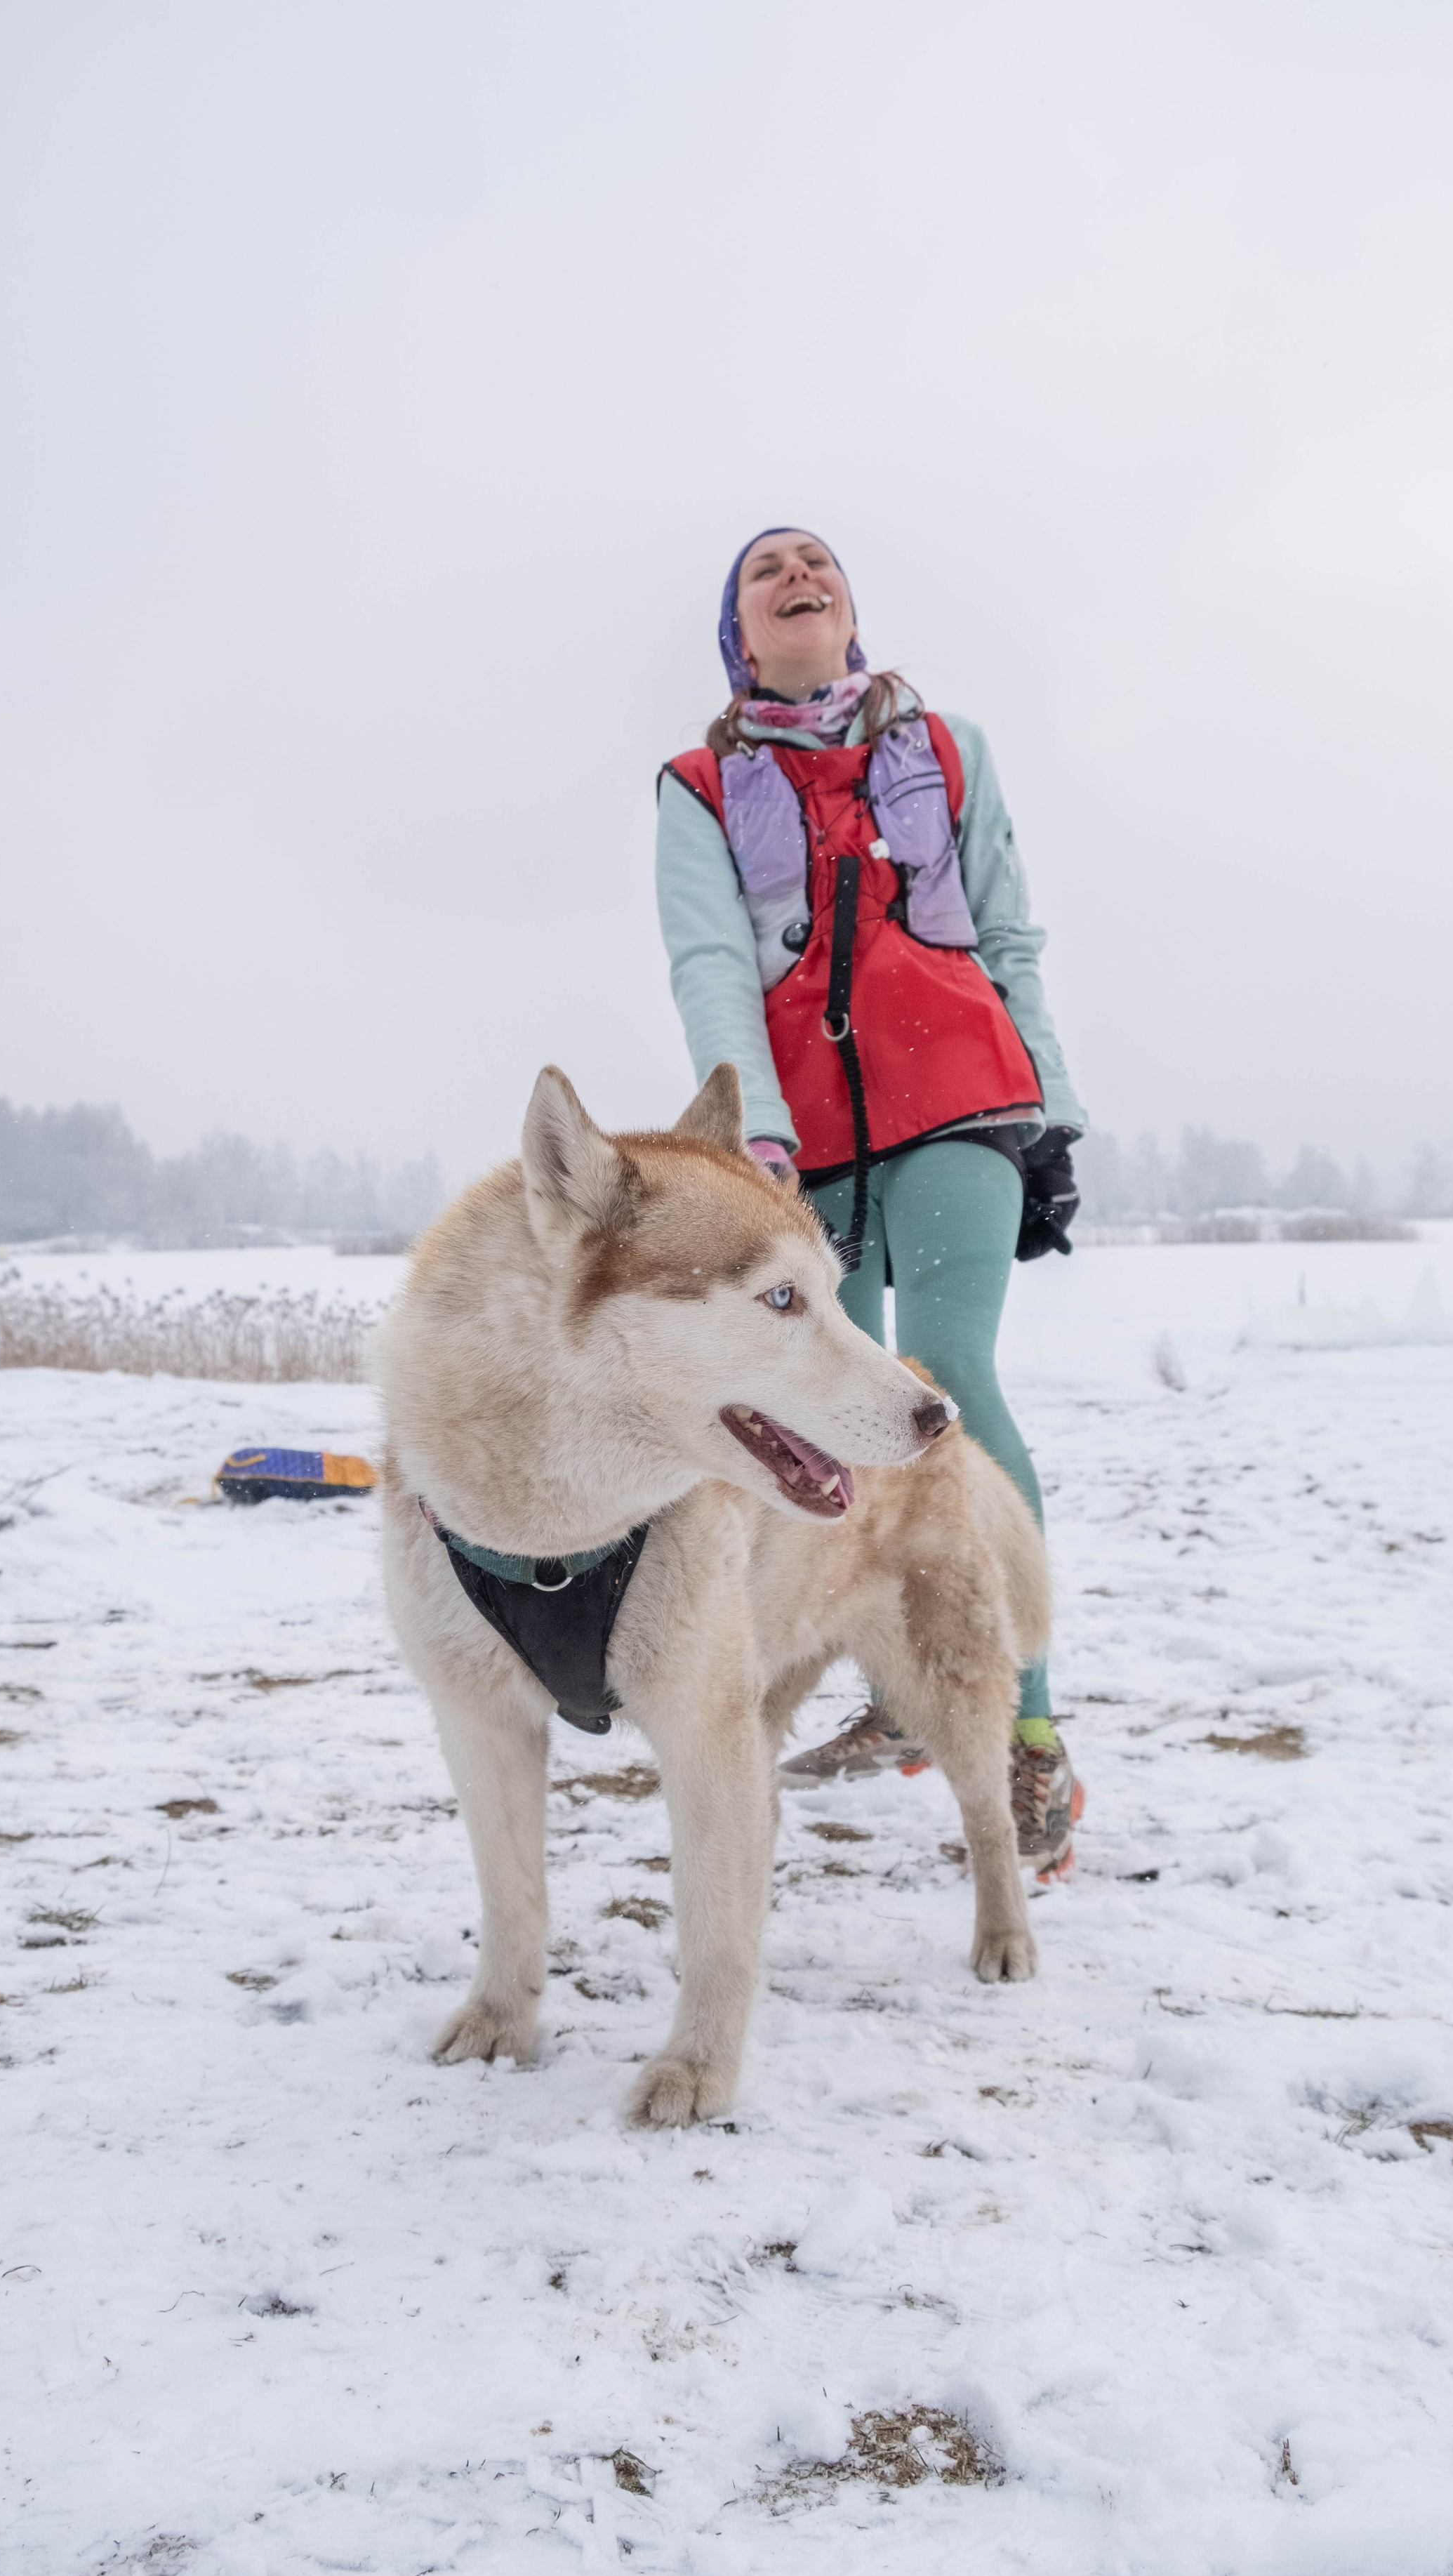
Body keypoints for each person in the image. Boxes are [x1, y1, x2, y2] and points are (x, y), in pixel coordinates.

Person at [655, 527, 1088, 1875]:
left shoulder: (948, 748)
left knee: (942, 1378)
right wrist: (753, 1135)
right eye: (766, 569)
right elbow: (711, 963)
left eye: (818, 562)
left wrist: (1048, 1104)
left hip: (959, 1096)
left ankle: (1027, 1732)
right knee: (827, 1407)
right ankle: (898, 1674)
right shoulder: (697, 788)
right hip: (806, 1144)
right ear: (739, 633)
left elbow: (1007, 934)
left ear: (849, 608)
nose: (799, 574)